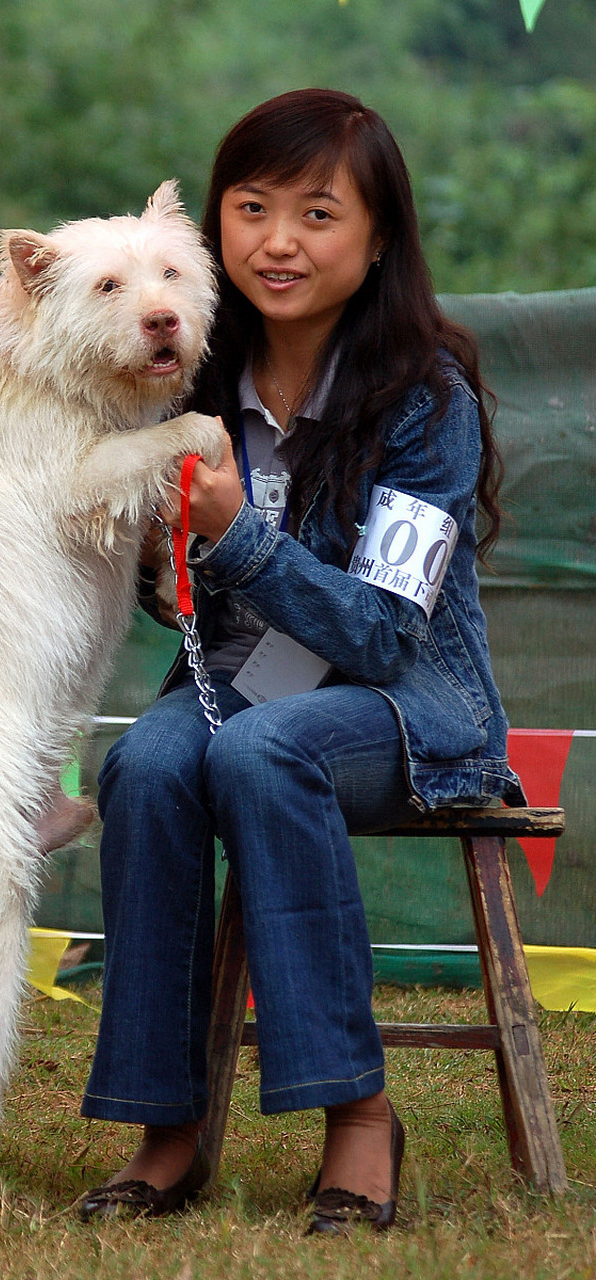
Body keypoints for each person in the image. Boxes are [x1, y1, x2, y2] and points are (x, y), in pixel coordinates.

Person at [76, 88, 524, 1233]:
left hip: (404, 702)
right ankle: (163, 1125)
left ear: (376, 240)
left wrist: (235, 532)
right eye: (251, 207)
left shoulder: (423, 396)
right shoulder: (189, 374)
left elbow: (382, 629)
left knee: (268, 752)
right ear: (214, 226)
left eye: (318, 213)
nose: (278, 241)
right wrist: (140, 542)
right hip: (233, 686)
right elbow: (166, 603)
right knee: (143, 766)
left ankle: (359, 1114)